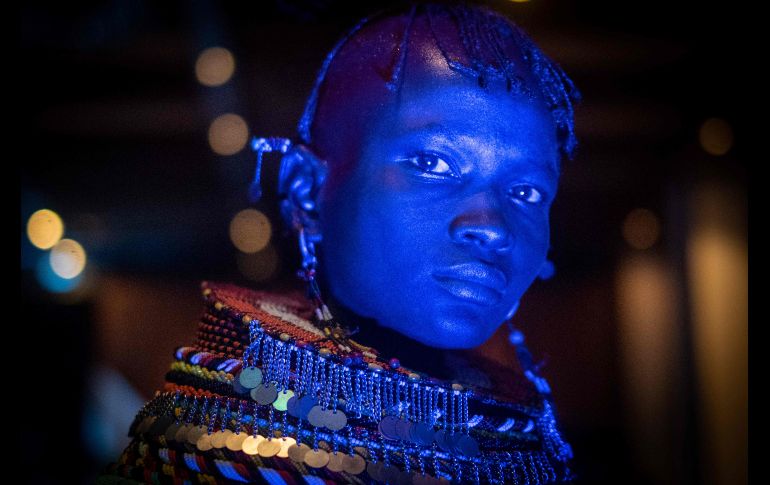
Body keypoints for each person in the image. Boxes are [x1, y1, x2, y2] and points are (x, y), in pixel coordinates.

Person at [98, 1, 582, 483]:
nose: (493, 226)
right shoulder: (208, 458)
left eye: (527, 192)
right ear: (307, 192)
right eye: (432, 163)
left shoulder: (523, 445)